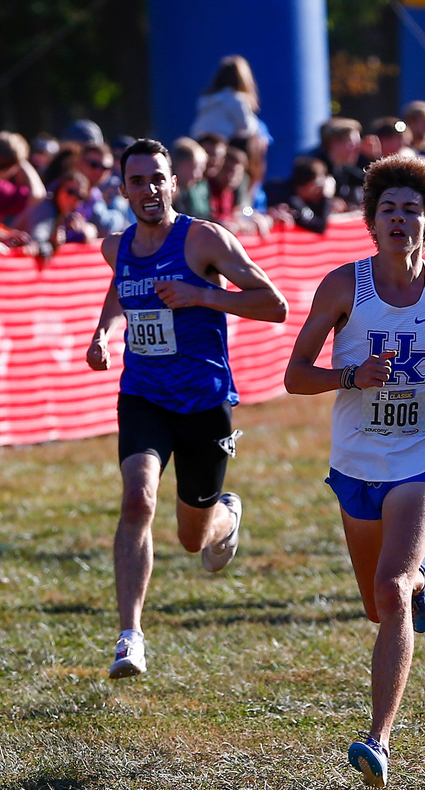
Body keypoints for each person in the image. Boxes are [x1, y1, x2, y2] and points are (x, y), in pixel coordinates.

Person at [284, 153, 425, 788]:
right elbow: (294, 375)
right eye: (387, 208)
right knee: (376, 604)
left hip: (421, 455)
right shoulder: (343, 286)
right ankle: (418, 578)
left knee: (391, 591)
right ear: (371, 220)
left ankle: (378, 740)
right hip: (356, 461)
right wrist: (351, 376)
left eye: (411, 210)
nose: (398, 219)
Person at [83, 138, 288, 679]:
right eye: (137, 181)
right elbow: (120, 291)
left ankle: (226, 516)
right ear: (123, 189)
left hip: (204, 402)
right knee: (137, 499)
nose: (149, 189)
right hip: (143, 395)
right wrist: (103, 333)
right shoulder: (116, 247)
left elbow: (274, 305)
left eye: (158, 179)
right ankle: (130, 637)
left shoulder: (204, 239)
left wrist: (204, 295)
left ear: (174, 184)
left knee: (192, 537)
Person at [190, 55, 262, 143]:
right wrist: (257, 125)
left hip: (197, 140)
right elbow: (246, 127)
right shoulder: (236, 99)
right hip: (222, 142)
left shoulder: (206, 98)